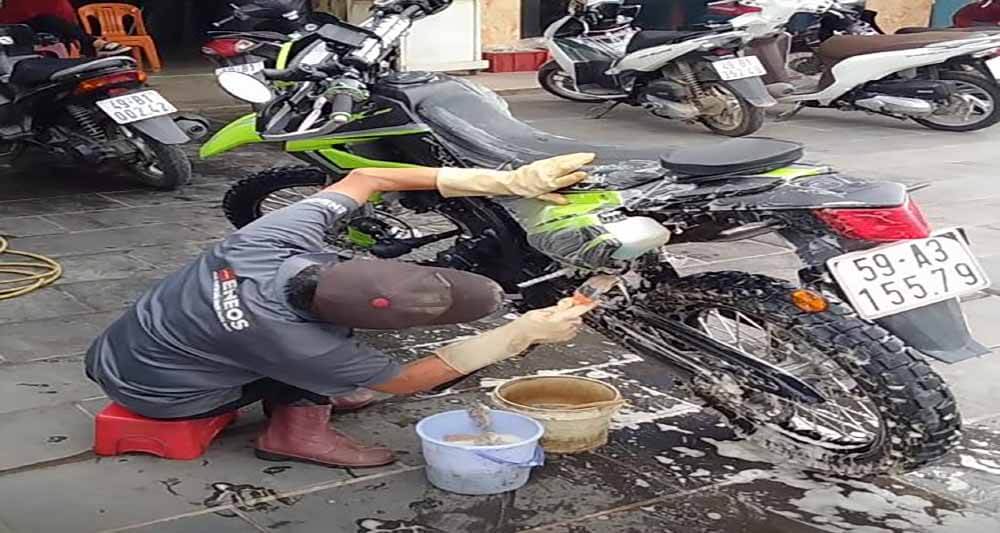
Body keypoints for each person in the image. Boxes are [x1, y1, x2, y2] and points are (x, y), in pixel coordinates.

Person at [85, 154, 599, 469]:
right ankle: (293, 435)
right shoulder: (296, 341)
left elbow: (367, 176)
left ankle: (311, 398)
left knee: (328, 360)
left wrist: (507, 182)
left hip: (117, 350)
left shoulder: (268, 241)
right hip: (163, 396)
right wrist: (519, 334)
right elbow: (409, 380)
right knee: (324, 365)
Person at [0, 0, 131, 56]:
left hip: (23, 24)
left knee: (50, 21)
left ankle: (92, 46)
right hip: (10, 25)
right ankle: (93, 44)